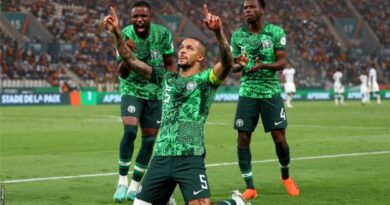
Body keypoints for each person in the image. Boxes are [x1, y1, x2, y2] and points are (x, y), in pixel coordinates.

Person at [104, 4, 251, 205]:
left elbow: (226, 63)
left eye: (189, 48)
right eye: (181, 47)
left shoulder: (206, 81)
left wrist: (218, 32)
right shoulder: (166, 78)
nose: (182, 51)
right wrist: (116, 34)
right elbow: (130, 61)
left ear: (200, 57)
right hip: (161, 157)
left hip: (189, 157)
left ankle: (236, 203)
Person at [230, 0, 300, 200]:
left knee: (280, 140)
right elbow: (234, 67)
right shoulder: (238, 35)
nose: (247, 11)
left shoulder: (275, 32)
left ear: (262, 10)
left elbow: (282, 62)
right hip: (247, 93)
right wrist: (240, 64)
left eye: (252, 7)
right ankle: (250, 186)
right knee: (242, 138)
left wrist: (263, 66)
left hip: (270, 93)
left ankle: (286, 177)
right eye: (245, 8)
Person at [112, 1, 176, 202]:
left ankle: (135, 185)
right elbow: (121, 73)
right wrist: (127, 53)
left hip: (156, 93)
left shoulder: (163, 34)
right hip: (132, 89)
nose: (139, 20)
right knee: (130, 131)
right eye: (135, 17)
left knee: (149, 140)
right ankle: (122, 181)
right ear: (131, 19)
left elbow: (169, 63)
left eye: (143, 16)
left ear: (151, 16)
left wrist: (173, 86)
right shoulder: (124, 34)